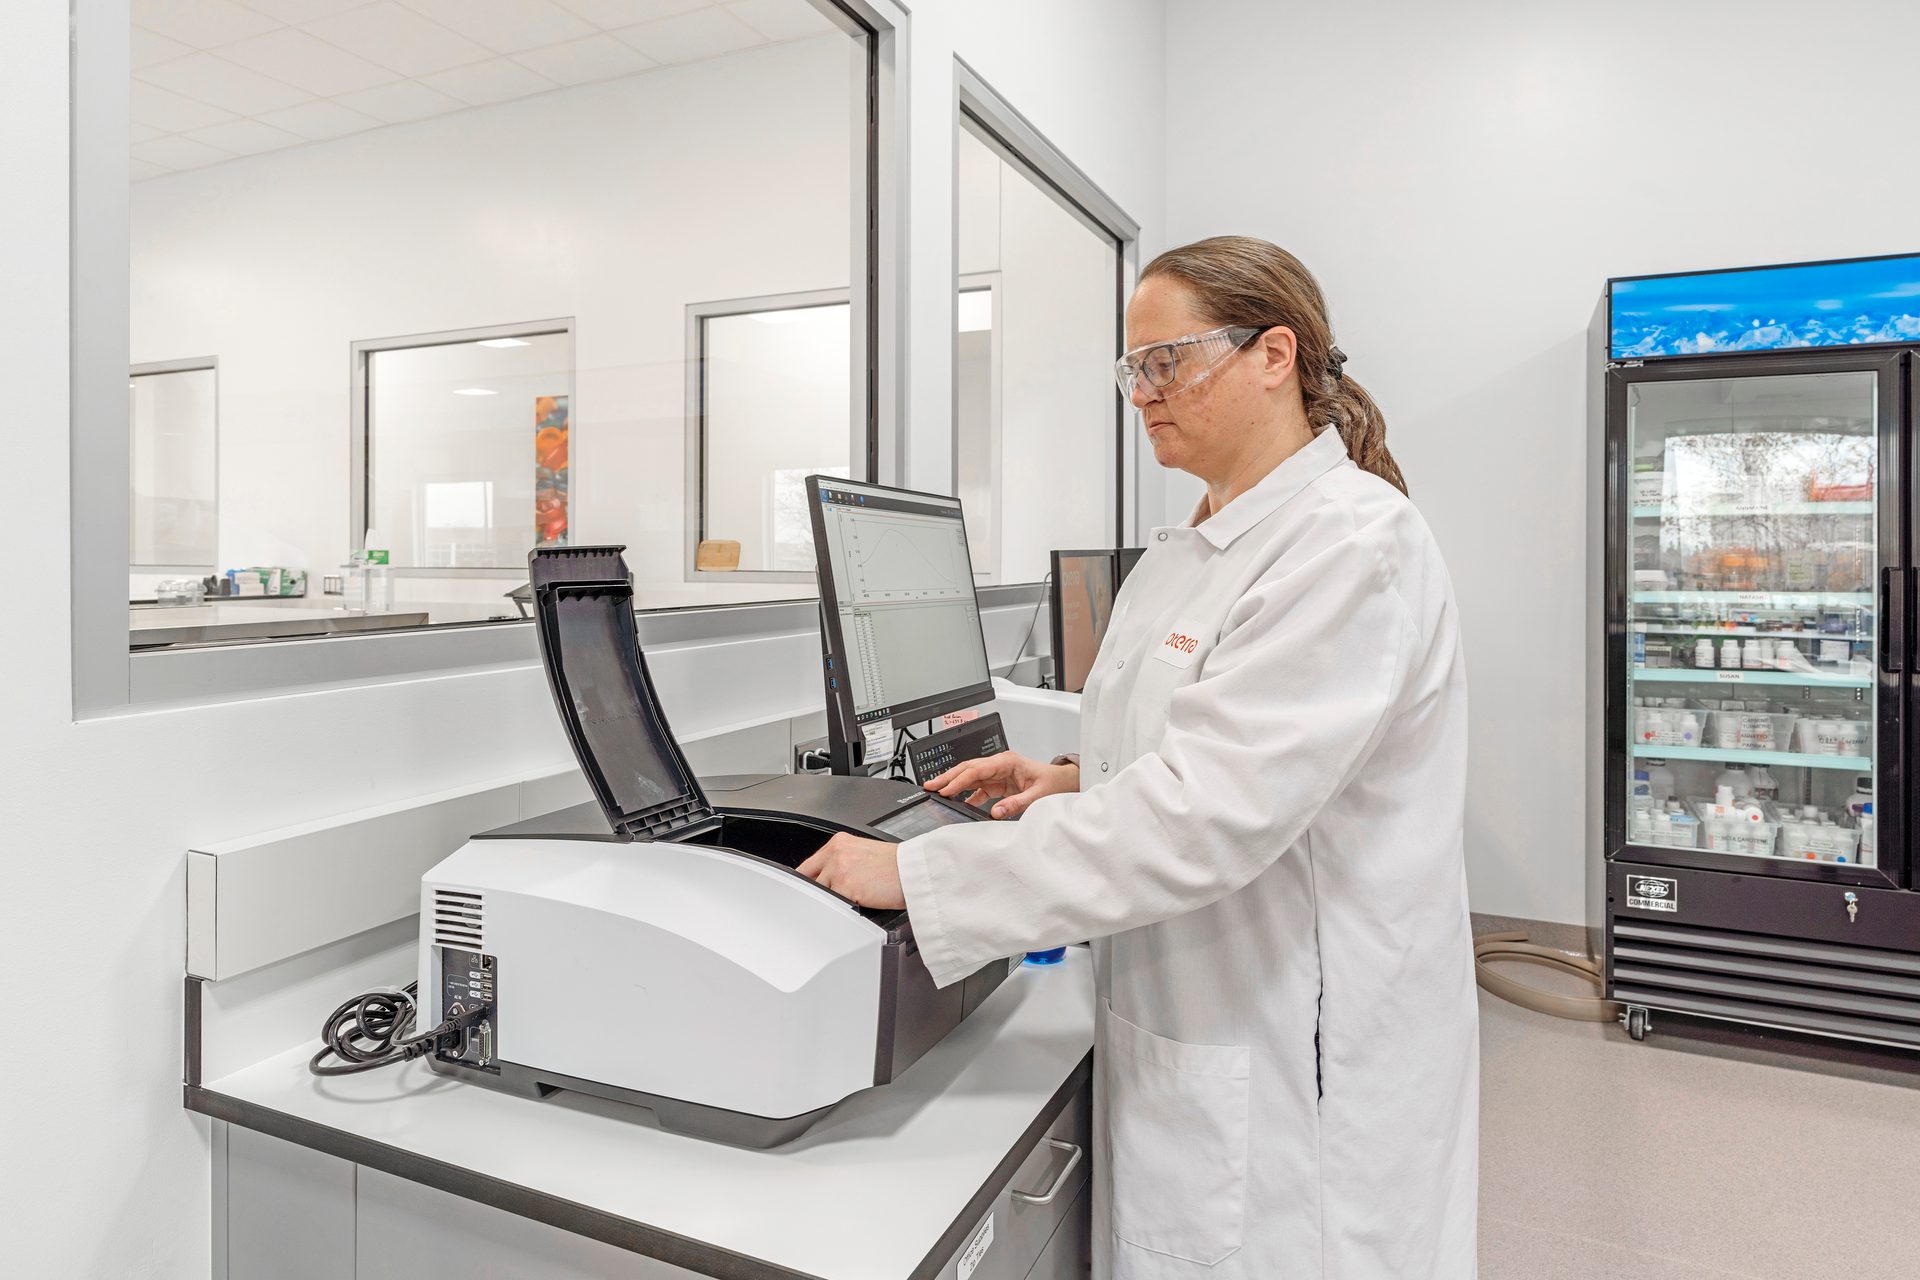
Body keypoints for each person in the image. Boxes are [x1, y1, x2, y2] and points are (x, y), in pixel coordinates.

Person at [798, 235, 1477, 1278]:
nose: (1142, 392)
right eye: (1133, 368)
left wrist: (918, 872)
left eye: (1168, 361)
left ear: (1273, 355)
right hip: (1192, 1016)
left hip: (1297, 1061)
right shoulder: (1191, 548)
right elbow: (1199, 743)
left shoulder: (1349, 544)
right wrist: (1071, 773)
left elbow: (1197, 816)